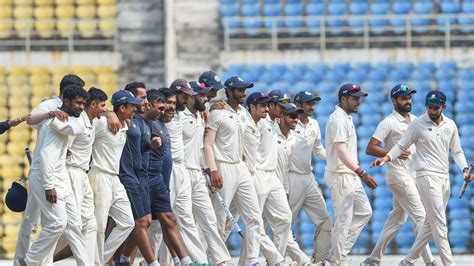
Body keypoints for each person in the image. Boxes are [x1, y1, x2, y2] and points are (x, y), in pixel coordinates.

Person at [372, 90, 474, 266]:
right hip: (425, 175)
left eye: (436, 107)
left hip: (444, 177)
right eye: (429, 107)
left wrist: (465, 168)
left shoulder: (450, 124)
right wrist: (386, 158)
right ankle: (449, 264)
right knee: (440, 223)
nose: (432, 110)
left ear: (444, 106)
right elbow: (400, 145)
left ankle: (408, 260)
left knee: (429, 223)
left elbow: (457, 151)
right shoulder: (418, 124)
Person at [14, 74, 87, 264]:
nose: (81, 107)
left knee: (69, 223)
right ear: (65, 97)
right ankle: (27, 261)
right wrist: (51, 115)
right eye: (78, 102)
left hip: (58, 171)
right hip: (45, 173)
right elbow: (32, 121)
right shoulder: (52, 112)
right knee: (37, 222)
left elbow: (74, 128)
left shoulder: (68, 118)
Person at [362, 85, 435, 265]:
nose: (408, 101)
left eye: (409, 97)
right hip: (398, 175)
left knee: (396, 221)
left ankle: (373, 259)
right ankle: (430, 262)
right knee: (421, 218)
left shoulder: (416, 120)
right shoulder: (388, 122)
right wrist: (392, 152)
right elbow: (370, 148)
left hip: (412, 175)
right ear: (394, 101)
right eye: (403, 98)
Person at [203, 76, 262, 265]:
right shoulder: (217, 112)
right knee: (220, 219)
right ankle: (214, 260)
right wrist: (213, 170)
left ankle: (252, 259)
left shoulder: (243, 112)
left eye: (244, 90)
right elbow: (207, 144)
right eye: (239, 90)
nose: (243, 93)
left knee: (254, 216)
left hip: (240, 166)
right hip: (223, 166)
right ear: (229, 91)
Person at [53, 87, 108, 265]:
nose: (105, 109)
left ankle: (90, 262)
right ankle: (43, 259)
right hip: (71, 174)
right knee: (72, 224)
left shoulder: (92, 122)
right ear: (93, 105)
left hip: (83, 175)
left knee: (91, 224)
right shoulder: (77, 121)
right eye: (103, 106)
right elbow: (64, 144)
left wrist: (112, 115)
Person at [324, 83, 377, 265]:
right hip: (341, 175)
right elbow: (340, 151)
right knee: (342, 221)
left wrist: (357, 173)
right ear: (343, 99)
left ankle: (336, 256)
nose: (358, 102)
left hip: (349, 174)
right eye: (355, 99)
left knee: (364, 212)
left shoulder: (346, 117)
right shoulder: (338, 119)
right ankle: (336, 261)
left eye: (359, 98)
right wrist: (361, 172)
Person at [181, 81, 231, 264]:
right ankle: (198, 260)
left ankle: (220, 260)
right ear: (191, 97)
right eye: (201, 95)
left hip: (197, 173)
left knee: (209, 219)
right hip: (181, 173)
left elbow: (202, 146)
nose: (206, 98)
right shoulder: (179, 116)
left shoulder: (201, 117)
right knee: (185, 221)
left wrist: (208, 170)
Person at [89, 90, 139, 265]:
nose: (135, 109)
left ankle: (99, 261)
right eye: (132, 106)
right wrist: (108, 113)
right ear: (123, 107)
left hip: (114, 179)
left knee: (127, 222)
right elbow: (86, 123)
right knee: (99, 226)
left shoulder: (125, 126)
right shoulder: (102, 123)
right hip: (99, 174)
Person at [240, 92, 287, 265]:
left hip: (272, 175)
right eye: (264, 106)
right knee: (254, 221)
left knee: (285, 218)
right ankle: (268, 260)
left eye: (269, 105)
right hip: (256, 174)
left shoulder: (272, 121)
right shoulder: (250, 121)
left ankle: (273, 260)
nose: (267, 108)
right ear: (252, 107)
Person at [146, 88, 192, 265]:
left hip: (162, 179)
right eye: (164, 107)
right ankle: (122, 259)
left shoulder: (165, 125)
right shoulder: (148, 123)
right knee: (143, 224)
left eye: (170, 106)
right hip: (149, 179)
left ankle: (179, 260)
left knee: (167, 220)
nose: (168, 110)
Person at [165, 79, 209, 262]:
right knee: (158, 223)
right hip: (167, 170)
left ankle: (199, 261)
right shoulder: (164, 115)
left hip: (182, 168)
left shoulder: (185, 114)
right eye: (183, 96)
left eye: (187, 96)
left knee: (186, 218)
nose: (186, 99)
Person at [116, 82, 159, 266]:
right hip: (126, 175)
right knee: (139, 222)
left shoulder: (140, 121)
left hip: (139, 175)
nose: (145, 101)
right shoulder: (124, 119)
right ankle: (152, 263)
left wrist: (149, 145)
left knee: (145, 221)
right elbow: (103, 115)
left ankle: (123, 259)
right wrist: (108, 113)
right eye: (141, 98)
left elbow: (137, 147)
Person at [290, 91, 332, 264]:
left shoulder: (314, 124)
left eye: (313, 103)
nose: (312, 106)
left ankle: (318, 260)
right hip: (291, 177)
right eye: (308, 103)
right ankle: (277, 259)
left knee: (325, 221)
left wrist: (335, 156)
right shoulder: (288, 123)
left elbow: (318, 150)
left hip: (308, 177)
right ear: (298, 104)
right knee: (284, 224)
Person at [273, 102, 311, 265]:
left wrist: (286, 190)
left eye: (297, 116)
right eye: (291, 116)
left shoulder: (292, 139)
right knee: (254, 224)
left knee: (284, 222)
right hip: (260, 182)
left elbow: (286, 167)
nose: (296, 119)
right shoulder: (270, 132)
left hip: (278, 185)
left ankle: (280, 261)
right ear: (281, 117)